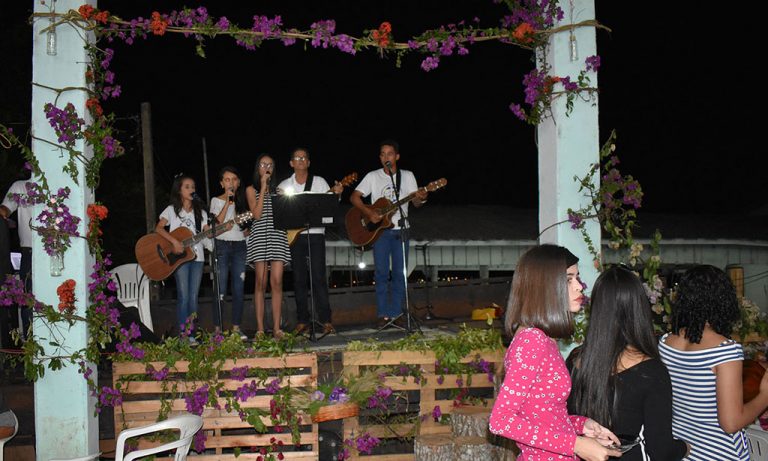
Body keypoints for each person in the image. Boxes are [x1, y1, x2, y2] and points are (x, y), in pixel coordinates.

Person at [488, 244, 622, 461]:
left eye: (577, 278)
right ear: (545, 287)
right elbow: (500, 421)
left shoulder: (543, 339)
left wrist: (581, 425)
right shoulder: (532, 341)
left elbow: (542, 415)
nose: (579, 287)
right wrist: (576, 444)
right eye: (569, 280)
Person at [567, 266, 689, 461]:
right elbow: (661, 451)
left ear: (596, 309)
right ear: (639, 309)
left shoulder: (575, 359)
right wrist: (685, 447)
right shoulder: (651, 371)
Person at [659, 265, 768, 460]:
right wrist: (765, 396)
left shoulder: (665, 342)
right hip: (718, 454)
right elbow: (731, 423)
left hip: (682, 451)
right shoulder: (725, 351)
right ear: (724, 301)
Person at [349, 139, 427, 328]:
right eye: (383, 154)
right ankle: (383, 315)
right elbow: (354, 197)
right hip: (381, 232)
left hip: (402, 230)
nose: (386, 157)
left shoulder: (407, 176)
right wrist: (369, 213)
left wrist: (421, 198)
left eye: (390, 154)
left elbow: (415, 203)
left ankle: (397, 313)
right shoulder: (372, 176)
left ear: (397, 157)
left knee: (400, 274)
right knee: (381, 273)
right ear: (380, 157)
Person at [277, 148, 343, 335]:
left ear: (308, 162)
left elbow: (329, 206)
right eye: (297, 158)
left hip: (315, 234)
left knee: (318, 277)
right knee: (298, 278)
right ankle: (302, 320)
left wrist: (337, 194)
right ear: (291, 163)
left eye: (304, 157)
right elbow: (280, 212)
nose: (300, 160)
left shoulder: (320, 182)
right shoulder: (283, 185)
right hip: (295, 236)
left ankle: (326, 320)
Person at [154, 174, 209, 339]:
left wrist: (217, 229)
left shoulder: (201, 212)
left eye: (193, 187)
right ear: (179, 190)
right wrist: (174, 242)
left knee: (193, 297)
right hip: (180, 258)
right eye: (187, 187)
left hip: (198, 257)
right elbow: (159, 228)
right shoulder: (171, 210)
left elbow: (206, 232)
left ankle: (192, 334)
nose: (191, 189)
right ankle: (183, 335)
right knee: (184, 296)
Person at [245, 154, 291, 339]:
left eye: (270, 165)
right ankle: (260, 329)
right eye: (263, 164)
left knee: (277, 282)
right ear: (258, 168)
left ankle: (277, 329)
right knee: (260, 282)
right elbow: (256, 214)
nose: (267, 168)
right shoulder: (251, 190)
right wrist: (263, 187)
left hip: (277, 236)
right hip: (260, 237)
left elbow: (286, 216)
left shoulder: (279, 191)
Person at [210, 166, 248, 339]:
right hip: (222, 245)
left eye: (234, 179)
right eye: (227, 179)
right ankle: (218, 330)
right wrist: (228, 202)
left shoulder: (243, 202)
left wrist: (246, 228)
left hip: (239, 246)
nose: (231, 182)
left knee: (239, 288)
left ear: (238, 182)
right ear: (221, 183)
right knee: (221, 288)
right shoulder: (215, 201)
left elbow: (248, 224)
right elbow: (216, 224)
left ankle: (236, 328)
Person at [0, 175, 34, 339]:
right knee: (28, 299)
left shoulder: (58, 184)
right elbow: (5, 209)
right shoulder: (20, 186)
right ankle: (30, 343)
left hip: (56, 251)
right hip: (29, 251)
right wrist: (3, 212)